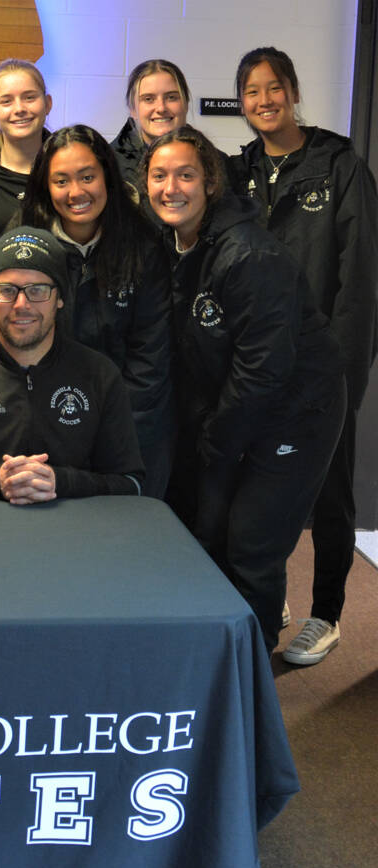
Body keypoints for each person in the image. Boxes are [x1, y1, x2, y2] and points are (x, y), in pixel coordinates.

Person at [145, 125, 345, 652]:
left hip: (296, 411)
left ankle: (248, 688)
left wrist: (215, 441)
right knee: (209, 531)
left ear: (210, 183)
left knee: (253, 543)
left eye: (185, 174)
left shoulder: (248, 255)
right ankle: (218, 658)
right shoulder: (176, 243)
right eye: (159, 175)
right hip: (240, 409)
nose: (171, 187)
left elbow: (264, 371)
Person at [229, 46, 378, 665]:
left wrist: (341, 373)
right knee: (259, 483)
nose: (263, 102)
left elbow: (361, 277)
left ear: (292, 91)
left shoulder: (338, 163)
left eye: (273, 88)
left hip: (322, 367)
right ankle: (273, 593)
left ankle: (329, 612)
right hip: (258, 361)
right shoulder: (239, 174)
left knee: (329, 490)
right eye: (251, 92)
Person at [0, 227, 144, 502]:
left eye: (37, 290)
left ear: (60, 298)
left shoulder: (100, 376)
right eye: (7, 290)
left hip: (78, 537)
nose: (21, 304)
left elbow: (131, 484)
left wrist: (60, 482)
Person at [19, 125, 174, 497]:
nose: (76, 192)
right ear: (45, 185)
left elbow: (150, 359)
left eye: (87, 176)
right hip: (44, 423)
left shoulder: (143, 243)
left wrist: (110, 429)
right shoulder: (24, 244)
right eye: (61, 180)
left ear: (107, 175)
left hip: (129, 427)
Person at [0, 59, 52, 235]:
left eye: (29, 97)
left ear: (48, 103)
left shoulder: (68, 167)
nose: (19, 108)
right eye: (6, 101)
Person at [112, 59, 191, 188]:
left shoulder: (214, 162)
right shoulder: (108, 165)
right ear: (133, 109)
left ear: (186, 104)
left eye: (171, 97)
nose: (161, 108)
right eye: (148, 99)